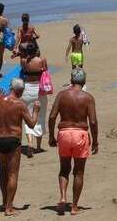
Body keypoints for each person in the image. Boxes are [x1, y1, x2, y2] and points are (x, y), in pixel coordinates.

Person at [0, 78, 40, 217]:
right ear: (19, 91)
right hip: (13, 140)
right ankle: (9, 207)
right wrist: (36, 111)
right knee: (13, 173)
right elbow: (31, 124)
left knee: (3, 170)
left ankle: (4, 202)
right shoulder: (20, 104)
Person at [48, 69, 99, 216]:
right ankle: (74, 206)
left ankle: (63, 197)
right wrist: (95, 141)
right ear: (84, 82)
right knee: (79, 172)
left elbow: (52, 117)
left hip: (64, 133)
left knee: (64, 169)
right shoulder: (88, 98)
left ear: (71, 80)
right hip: (80, 135)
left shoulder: (62, 95)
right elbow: (93, 122)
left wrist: (51, 136)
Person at [19, 42, 49, 156]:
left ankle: (29, 142)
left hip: (27, 89)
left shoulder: (23, 61)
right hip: (39, 89)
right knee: (40, 116)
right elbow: (45, 71)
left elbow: (22, 69)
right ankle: (38, 146)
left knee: (27, 116)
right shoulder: (41, 60)